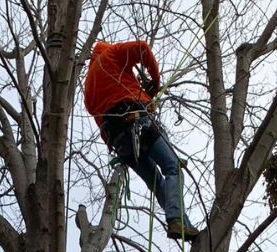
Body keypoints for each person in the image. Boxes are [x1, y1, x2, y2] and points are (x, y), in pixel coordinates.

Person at [84, 40, 200, 241]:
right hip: (138, 123)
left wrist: (145, 99)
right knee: (173, 167)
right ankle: (175, 219)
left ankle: (184, 225)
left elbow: (102, 125)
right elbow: (143, 48)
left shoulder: (89, 89)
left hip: (121, 143)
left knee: (156, 184)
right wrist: (155, 81)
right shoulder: (111, 54)